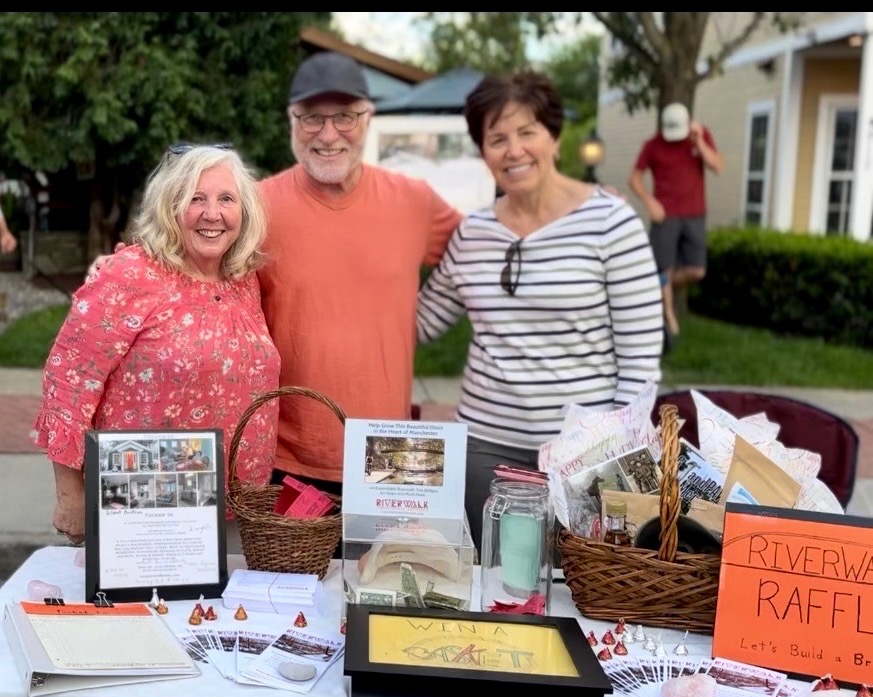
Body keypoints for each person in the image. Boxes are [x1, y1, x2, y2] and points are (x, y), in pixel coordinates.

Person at [97, 52, 462, 500]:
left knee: (401, 570)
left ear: (367, 119)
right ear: (291, 122)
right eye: (311, 118)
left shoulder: (415, 202)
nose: (328, 135)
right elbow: (186, 258)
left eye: (345, 116)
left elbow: (480, 250)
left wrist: (427, 317)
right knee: (289, 571)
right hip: (284, 453)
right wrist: (120, 266)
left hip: (394, 448)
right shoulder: (256, 207)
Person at [416, 71, 664, 553]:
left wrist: (613, 457)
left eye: (527, 132)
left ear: (554, 136)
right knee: (492, 583)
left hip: (582, 457)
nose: (514, 150)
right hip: (486, 451)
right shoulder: (473, 234)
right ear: (482, 151)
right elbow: (422, 322)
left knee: (576, 589)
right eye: (497, 138)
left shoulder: (611, 223)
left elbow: (640, 362)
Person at [32, 144, 281, 544]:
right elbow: (69, 381)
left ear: (243, 211)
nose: (212, 214)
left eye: (226, 199)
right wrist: (70, 495)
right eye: (195, 199)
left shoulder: (242, 281)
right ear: (170, 207)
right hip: (143, 510)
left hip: (238, 510)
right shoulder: (130, 273)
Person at [628, 102, 724, 339]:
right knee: (662, 269)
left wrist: (699, 142)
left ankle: (659, 290)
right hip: (665, 216)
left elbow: (718, 167)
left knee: (697, 270)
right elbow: (634, 178)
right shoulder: (653, 145)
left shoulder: (701, 137)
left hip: (695, 213)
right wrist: (650, 202)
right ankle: (668, 317)